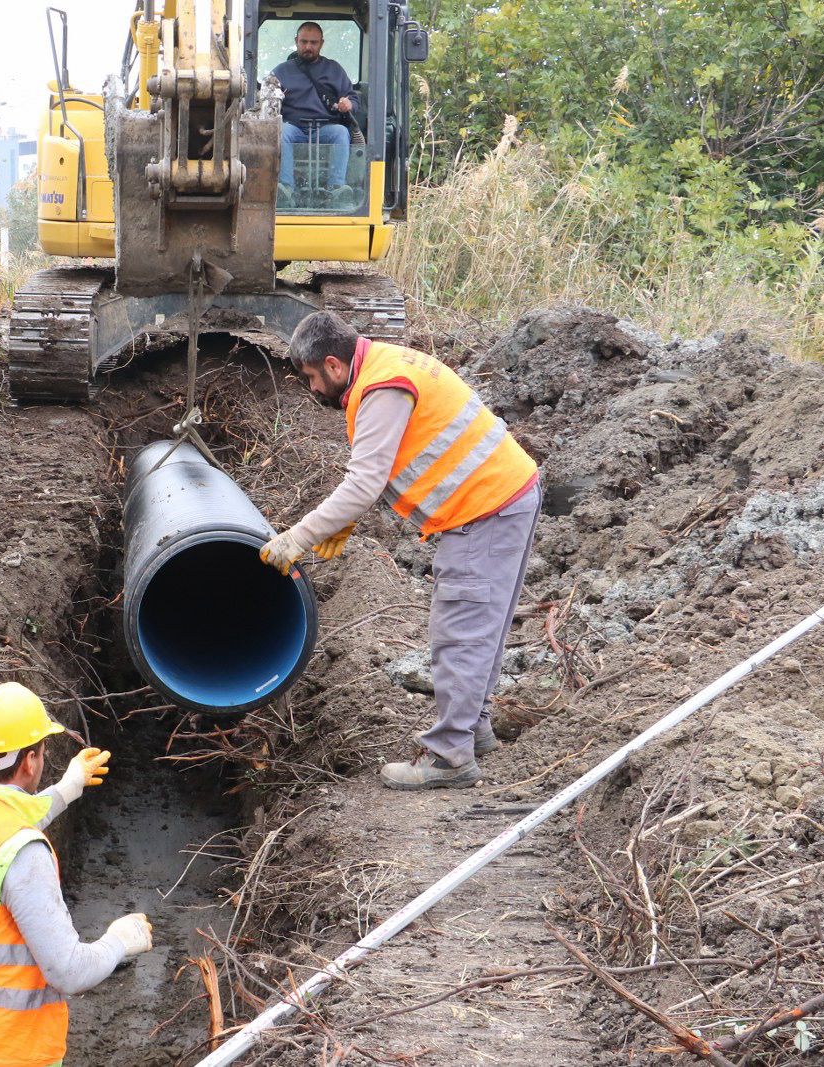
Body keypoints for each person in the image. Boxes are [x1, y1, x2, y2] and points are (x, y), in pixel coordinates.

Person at [259, 312, 542, 790]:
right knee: (484, 626)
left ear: (332, 364)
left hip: (481, 510)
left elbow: (364, 481)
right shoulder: (388, 365)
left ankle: (450, 756)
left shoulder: (383, 387)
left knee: (460, 631)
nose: (312, 390)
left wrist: (297, 537)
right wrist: (341, 520)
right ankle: (475, 730)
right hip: (506, 497)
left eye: (311, 378)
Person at [0, 682, 154, 1067]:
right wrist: (118, 941)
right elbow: (68, 971)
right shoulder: (24, 853)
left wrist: (68, 788)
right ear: (30, 762)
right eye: (41, 751)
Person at [271, 21, 358, 210]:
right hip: (294, 127)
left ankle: (336, 188)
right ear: (296, 41)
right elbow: (267, 100)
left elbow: (353, 98)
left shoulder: (334, 70)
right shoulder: (281, 71)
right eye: (304, 42)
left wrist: (348, 103)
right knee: (281, 131)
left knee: (341, 133)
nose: (308, 47)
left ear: (321, 43)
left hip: (325, 128)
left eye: (313, 42)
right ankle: (285, 189)